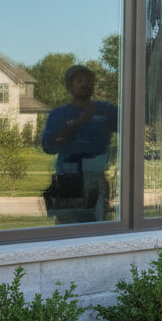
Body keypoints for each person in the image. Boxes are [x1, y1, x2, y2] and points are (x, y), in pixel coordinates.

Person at [41, 64, 119, 222]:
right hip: (68, 182)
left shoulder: (106, 110)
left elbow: (133, 127)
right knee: (67, 230)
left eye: (88, 80)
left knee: (98, 231)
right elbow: (48, 147)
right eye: (79, 80)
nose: (84, 84)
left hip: (96, 182)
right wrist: (78, 123)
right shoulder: (59, 115)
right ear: (69, 86)